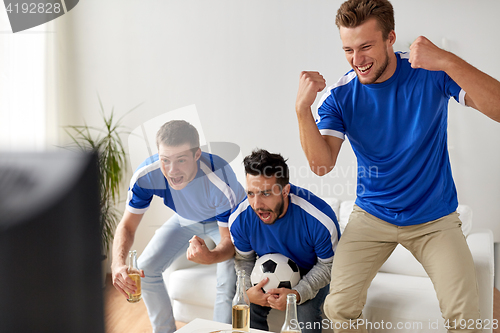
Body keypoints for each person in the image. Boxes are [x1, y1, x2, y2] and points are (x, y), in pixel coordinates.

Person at [295, 0, 500, 332]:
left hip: (434, 218)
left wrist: (447, 60)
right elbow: (321, 166)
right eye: (348, 49)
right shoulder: (341, 95)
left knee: (466, 318)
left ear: (390, 38)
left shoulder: (429, 73)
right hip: (372, 215)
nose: (357, 60)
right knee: (337, 308)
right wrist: (302, 109)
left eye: (366, 47)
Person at [111, 120, 246, 333]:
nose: (172, 170)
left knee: (226, 284)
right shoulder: (146, 175)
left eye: (181, 160)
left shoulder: (220, 179)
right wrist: (117, 264)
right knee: (146, 268)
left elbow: (228, 241)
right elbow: (127, 226)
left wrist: (210, 256)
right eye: (165, 160)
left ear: (196, 155)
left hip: (228, 222)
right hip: (187, 218)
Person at [229, 149, 340, 333]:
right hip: (268, 275)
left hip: (311, 272)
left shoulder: (319, 219)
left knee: (304, 314)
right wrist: (249, 290)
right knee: (244, 306)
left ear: (285, 191)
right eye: (251, 193)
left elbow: (328, 266)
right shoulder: (240, 219)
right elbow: (244, 259)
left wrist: (296, 294)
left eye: (265, 194)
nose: (256, 204)